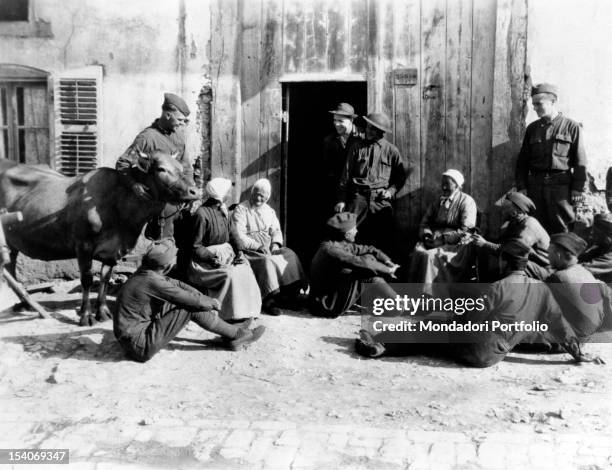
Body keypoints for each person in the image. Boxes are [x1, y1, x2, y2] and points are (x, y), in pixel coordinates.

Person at [356, 239, 602, 367]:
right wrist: (579, 355)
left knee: (428, 329)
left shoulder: (497, 288)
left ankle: (380, 344)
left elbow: (467, 322)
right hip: (499, 353)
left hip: (477, 351)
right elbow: (561, 327)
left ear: (504, 263)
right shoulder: (542, 291)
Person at [113, 239, 265, 362]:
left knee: (189, 302)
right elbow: (186, 298)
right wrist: (211, 302)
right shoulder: (152, 281)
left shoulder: (146, 272)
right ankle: (236, 334)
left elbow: (176, 284)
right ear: (165, 265)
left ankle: (231, 333)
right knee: (188, 307)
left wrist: (200, 295)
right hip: (139, 345)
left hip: (132, 339)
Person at [115, 92, 202, 241]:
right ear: (168, 115)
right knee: (159, 244)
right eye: (180, 120)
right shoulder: (147, 138)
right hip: (155, 204)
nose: (182, 124)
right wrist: (134, 184)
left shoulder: (178, 136)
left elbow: (186, 166)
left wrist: (189, 188)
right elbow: (123, 163)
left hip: (176, 199)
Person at [187, 178, 262, 322]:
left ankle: (246, 311)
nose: (229, 195)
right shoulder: (201, 214)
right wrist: (211, 258)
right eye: (227, 192)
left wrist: (239, 251)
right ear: (220, 195)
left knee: (244, 268)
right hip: (204, 263)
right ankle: (227, 314)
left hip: (226, 255)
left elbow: (233, 234)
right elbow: (195, 247)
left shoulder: (223, 210)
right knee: (230, 275)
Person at [515, 83, 587, 234]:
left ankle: (562, 257)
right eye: (533, 104)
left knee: (562, 227)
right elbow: (523, 162)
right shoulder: (532, 129)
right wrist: (522, 186)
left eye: (538, 104)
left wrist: (577, 189)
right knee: (536, 228)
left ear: (553, 102)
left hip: (560, 189)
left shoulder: (572, 127)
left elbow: (580, 161)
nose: (534, 108)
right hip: (535, 187)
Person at [231, 178, 307, 315]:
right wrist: (257, 246)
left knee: (290, 255)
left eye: (263, 196)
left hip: (268, 246)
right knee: (267, 262)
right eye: (257, 194)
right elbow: (239, 235)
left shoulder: (269, 211)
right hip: (250, 249)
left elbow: (276, 230)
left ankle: (290, 294)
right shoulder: (241, 209)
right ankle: (269, 300)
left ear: (267, 198)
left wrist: (275, 244)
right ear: (252, 193)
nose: (259, 199)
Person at [334, 112, 407, 253]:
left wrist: (390, 191)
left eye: (372, 129)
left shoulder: (391, 151)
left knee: (383, 238)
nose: (368, 131)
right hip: (357, 199)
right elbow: (346, 176)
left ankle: (382, 270)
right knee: (350, 237)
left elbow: (400, 177)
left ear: (381, 132)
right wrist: (341, 200)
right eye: (367, 127)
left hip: (380, 200)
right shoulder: (356, 147)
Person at [309, 212, 400, 318]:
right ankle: (399, 305)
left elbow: (369, 249)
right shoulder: (332, 250)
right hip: (326, 304)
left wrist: (387, 261)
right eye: (354, 230)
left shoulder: (338, 243)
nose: (356, 231)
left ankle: (392, 303)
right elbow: (361, 262)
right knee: (369, 273)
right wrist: (389, 270)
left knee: (368, 259)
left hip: (332, 294)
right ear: (347, 234)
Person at [408, 169, 477, 285]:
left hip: (456, 245)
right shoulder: (438, 201)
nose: (444, 187)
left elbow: (466, 231)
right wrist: (427, 235)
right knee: (418, 250)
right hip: (435, 240)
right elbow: (425, 222)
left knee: (429, 256)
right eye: (442, 184)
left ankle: (432, 297)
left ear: (456, 185)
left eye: (447, 184)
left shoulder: (467, 201)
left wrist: (443, 239)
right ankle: (415, 293)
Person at [471, 191, 551, 280]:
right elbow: (503, 243)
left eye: (506, 207)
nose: (502, 210)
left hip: (543, 270)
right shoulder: (515, 223)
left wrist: (485, 243)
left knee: (514, 262)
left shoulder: (529, 225)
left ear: (515, 211)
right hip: (532, 265)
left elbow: (510, 252)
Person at [547, 232, 606, 341]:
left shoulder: (558, 277)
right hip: (589, 333)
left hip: (571, 340)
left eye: (549, 253)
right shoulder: (584, 271)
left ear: (558, 254)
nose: (547, 256)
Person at [322, 103, 362, 212]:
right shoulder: (329, 141)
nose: (336, 124)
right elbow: (328, 169)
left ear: (351, 121)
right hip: (338, 192)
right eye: (335, 120)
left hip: (359, 193)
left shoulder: (363, 138)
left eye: (341, 121)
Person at [580, 212, 612, 283]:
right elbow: (585, 256)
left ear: (608, 235)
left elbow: (585, 268)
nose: (591, 235)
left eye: (596, 233)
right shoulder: (605, 245)